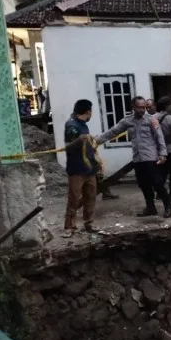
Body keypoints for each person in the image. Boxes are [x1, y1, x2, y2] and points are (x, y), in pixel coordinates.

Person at [96, 96, 171, 218]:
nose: (142, 110)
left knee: (157, 184)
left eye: (144, 107)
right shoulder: (127, 121)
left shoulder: (151, 120)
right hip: (138, 159)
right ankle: (150, 207)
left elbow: (159, 137)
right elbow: (112, 132)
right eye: (139, 107)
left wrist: (163, 153)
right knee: (144, 184)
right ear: (133, 107)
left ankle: (168, 206)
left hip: (151, 157)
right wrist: (96, 141)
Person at [64, 99, 100, 237]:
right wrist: (78, 141)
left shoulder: (83, 124)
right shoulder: (71, 126)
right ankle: (69, 227)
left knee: (90, 196)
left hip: (89, 168)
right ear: (88, 111)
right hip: (76, 169)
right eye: (91, 111)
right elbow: (67, 147)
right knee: (74, 198)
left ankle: (89, 223)